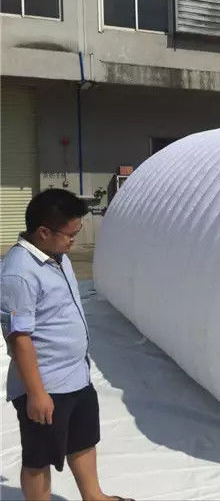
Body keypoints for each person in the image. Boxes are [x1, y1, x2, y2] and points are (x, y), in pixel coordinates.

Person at [1, 189, 129, 501]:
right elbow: (19, 338)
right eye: (70, 234)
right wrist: (36, 393)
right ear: (43, 232)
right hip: (46, 384)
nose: (74, 239)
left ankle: (94, 497)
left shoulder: (58, 258)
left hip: (76, 376)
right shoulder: (19, 273)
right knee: (39, 457)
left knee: (83, 440)